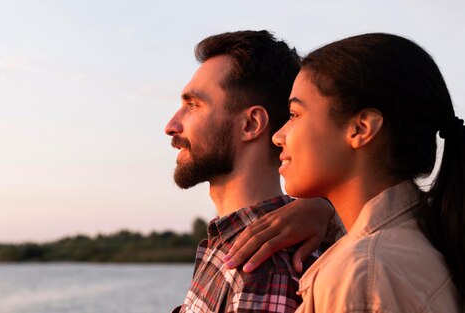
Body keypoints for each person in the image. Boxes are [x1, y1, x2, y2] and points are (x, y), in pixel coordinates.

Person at [234, 33, 465, 311]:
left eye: (295, 115)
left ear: (361, 129)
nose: (278, 136)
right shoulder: (429, 240)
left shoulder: (361, 275)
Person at [166, 30, 335, 313]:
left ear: (251, 124)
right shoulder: (231, 242)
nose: (171, 125)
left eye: (193, 105)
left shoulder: (262, 265)